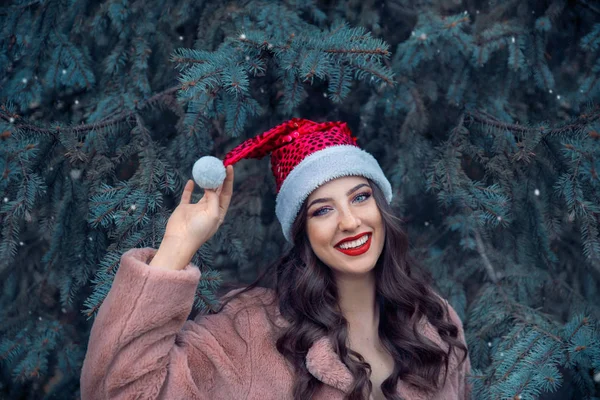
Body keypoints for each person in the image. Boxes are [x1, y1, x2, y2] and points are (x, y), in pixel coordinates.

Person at [80, 118, 471, 400]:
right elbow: (120, 390)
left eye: (360, 197)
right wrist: (177, 247)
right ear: (301, 231)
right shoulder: (252, 333)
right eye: (322, 211)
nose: (350, 222)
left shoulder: (434, 324)